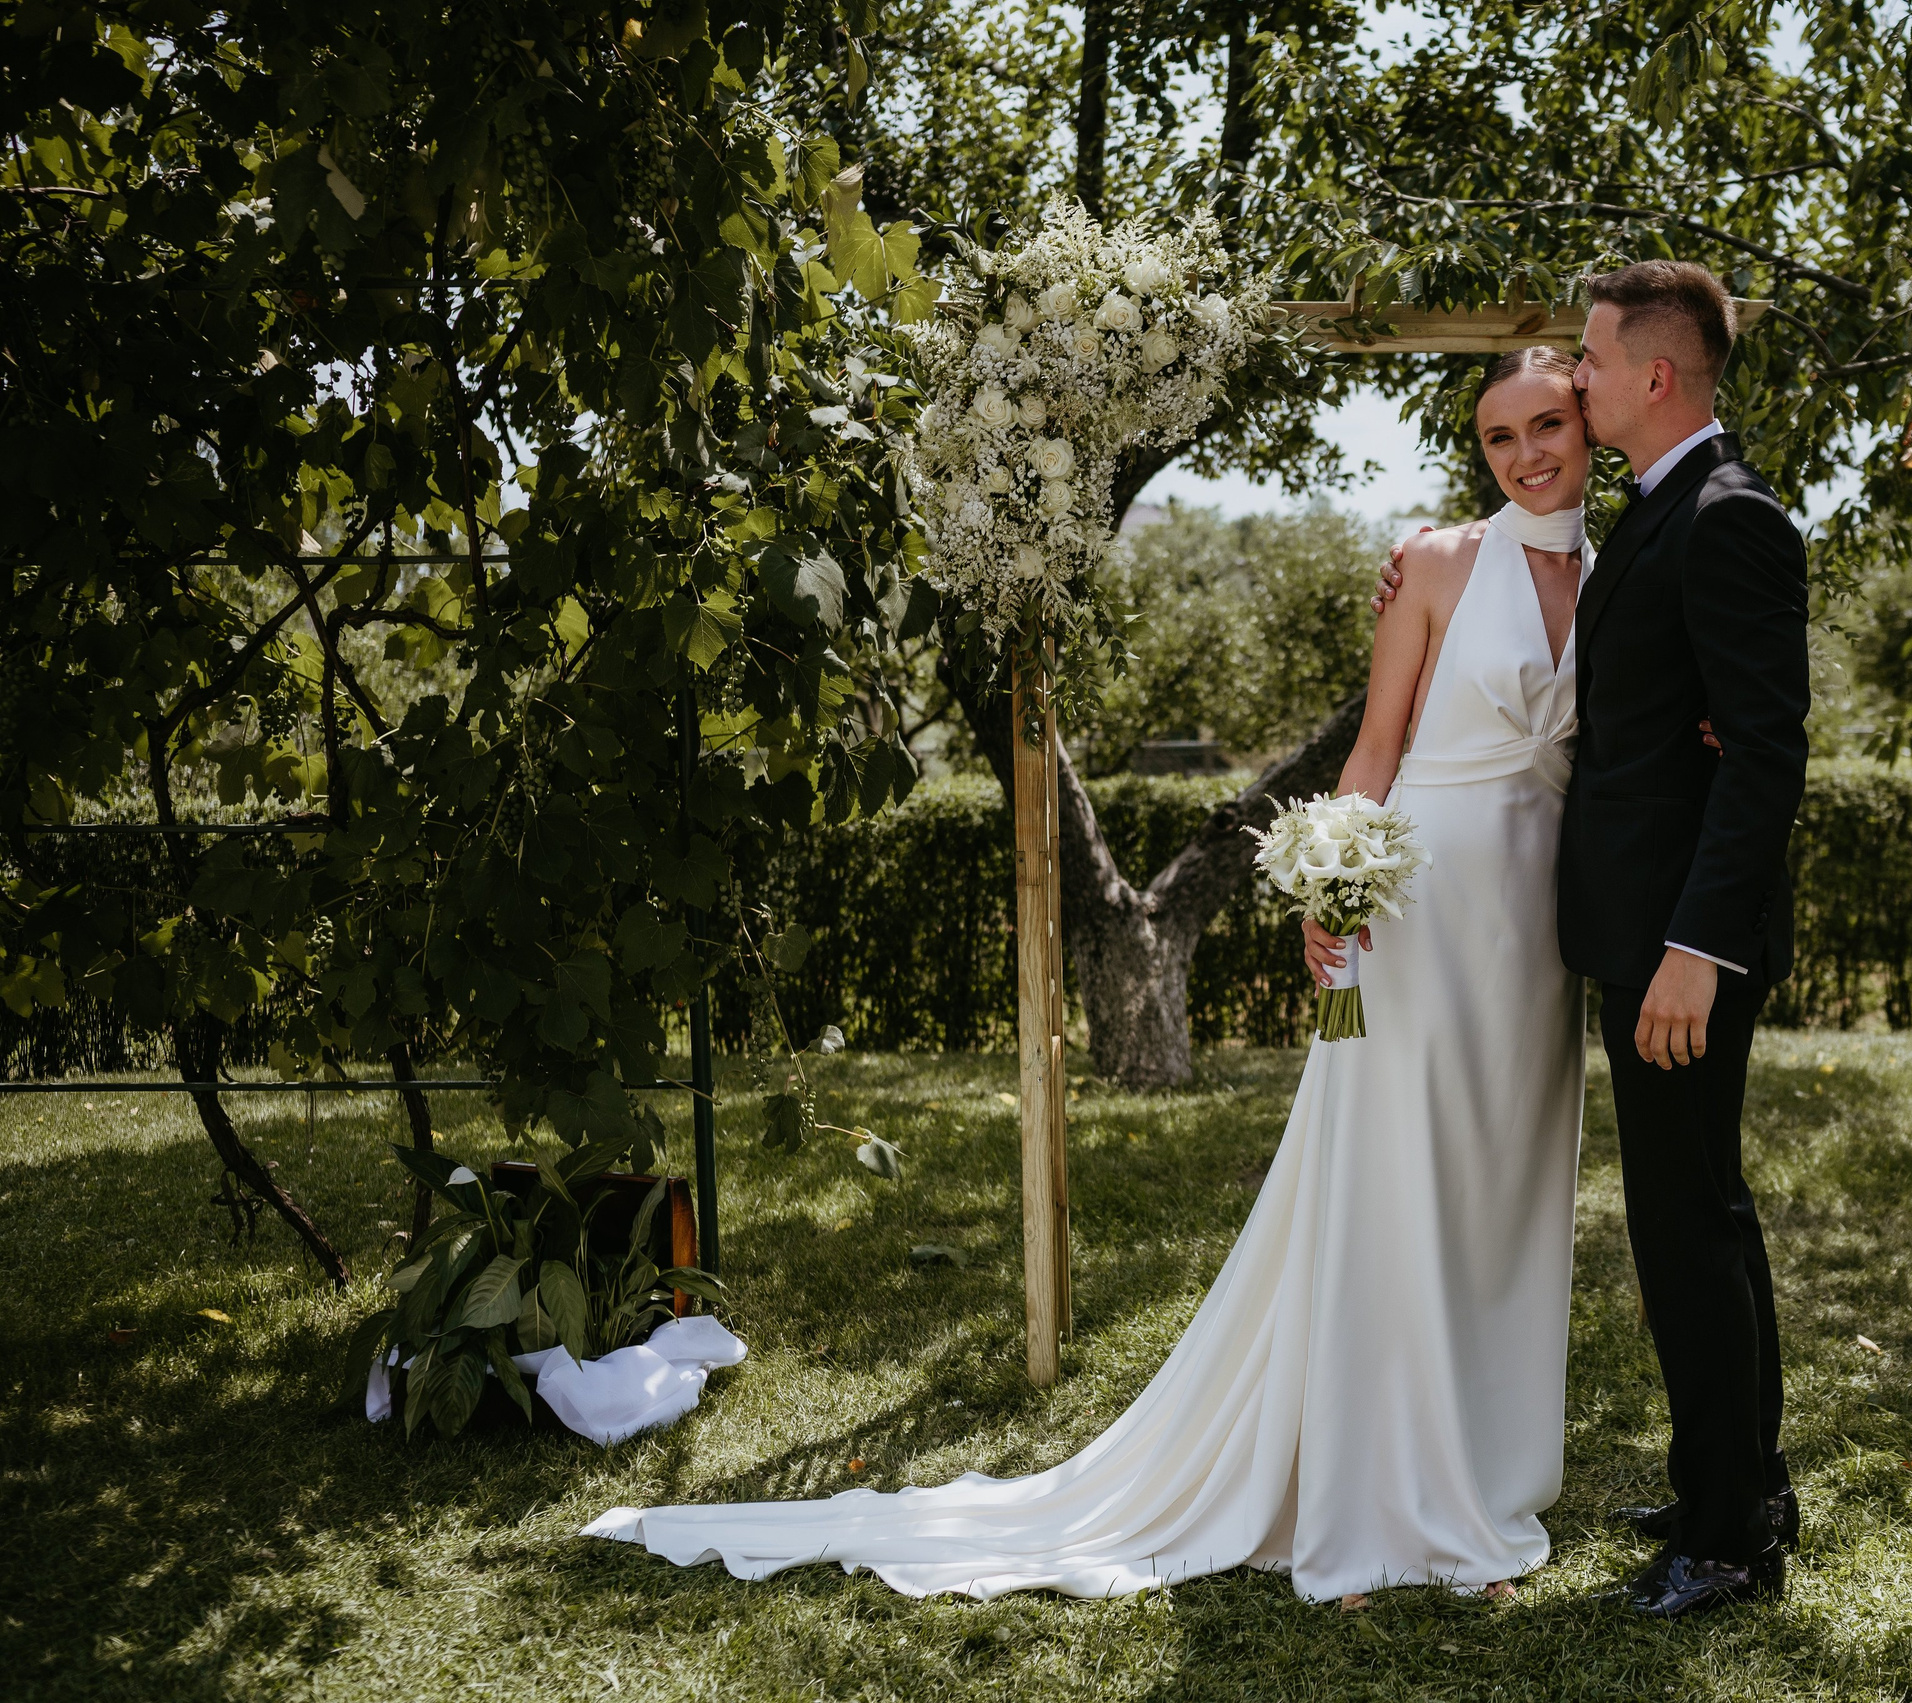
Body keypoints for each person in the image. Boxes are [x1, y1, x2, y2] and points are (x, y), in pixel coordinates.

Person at [584, 346, 1600, 1608]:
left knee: (1502, 1196)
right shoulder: (1442, 560)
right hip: (1422, 915)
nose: (1524, 454)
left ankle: (1485, 1470)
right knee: (1400, 1192)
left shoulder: (1618, 575)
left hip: (1541, 940)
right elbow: (1377, 744)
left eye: (1545, 424)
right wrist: (1331, 885)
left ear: (1591, 422)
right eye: (1498, 435)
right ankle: (1386, 1497)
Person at [1374, 260, 1810, 1619]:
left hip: (1680, 944)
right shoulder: (1656, 513)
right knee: (1704, 1216)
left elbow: (1766, 753)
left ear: (1655, 378)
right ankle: (1735, 1480)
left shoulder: (1727, 517)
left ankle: (1728, 1537)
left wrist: (1697, 945)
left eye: (1593, 366)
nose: (1576, 381)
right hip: (1636, 928)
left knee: (1689, 1224)